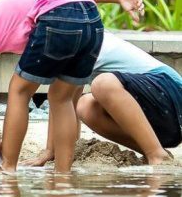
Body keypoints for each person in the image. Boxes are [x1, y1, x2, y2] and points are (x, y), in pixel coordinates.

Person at [0, 0, 143, 173]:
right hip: (93, 22)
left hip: (57, 17)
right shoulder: (9, 11)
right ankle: (62, 174)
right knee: (61, 97)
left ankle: (7, 168)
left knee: (19, 91)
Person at [26, 30, 180, 166]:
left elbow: (60, 99)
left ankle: (156, 154)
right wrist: (61, 150)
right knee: (84, 106)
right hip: (158, 122)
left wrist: (50, 150)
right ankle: (155, 150)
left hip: (171, 96)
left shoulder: (77, 37)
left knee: (102, 84)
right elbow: (68, 102)